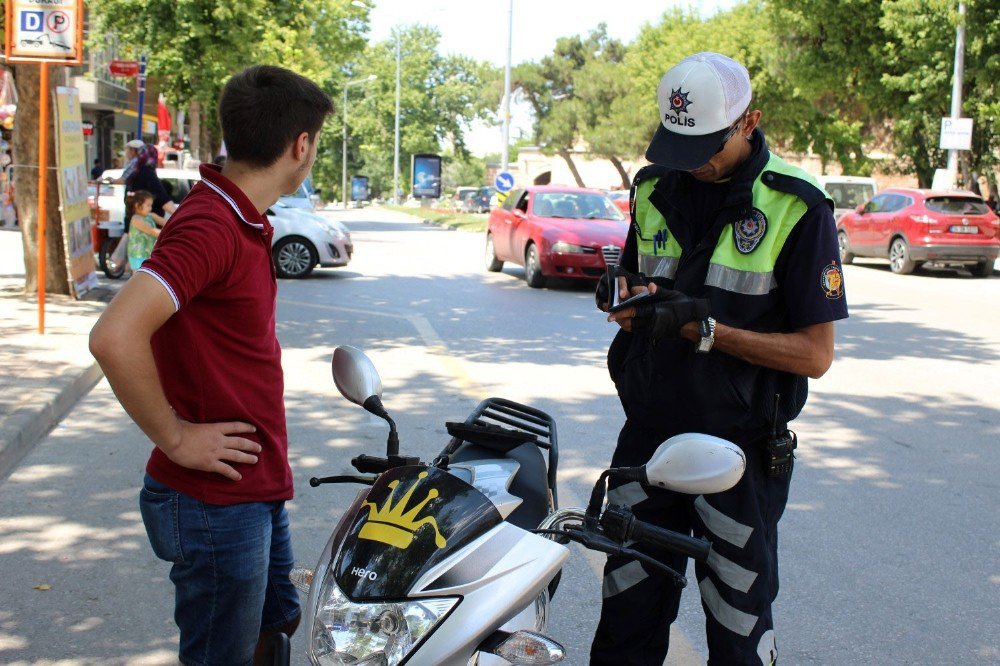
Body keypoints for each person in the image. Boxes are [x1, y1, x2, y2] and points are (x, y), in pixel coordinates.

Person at [591, 52, 848, 665]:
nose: (693, 162)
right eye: (679, 145)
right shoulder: (653, 187)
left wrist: (704, 329)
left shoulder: (796, 205)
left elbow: (815, 355)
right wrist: (623, 297)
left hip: (737, 455)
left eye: (708, 145)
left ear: (749, 121)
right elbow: (639, 278)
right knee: (625, 625)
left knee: (738, 635)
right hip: (648, 442)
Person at [89, 65, 334, 664]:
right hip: (212, 503)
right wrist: (174, 437)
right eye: (316, 144)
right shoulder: (210, 225)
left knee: (274, 625)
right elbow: (114, 336)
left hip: (249, 490)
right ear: (300, 146)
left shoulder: (237, 215)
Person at [125, 190, 164, 271]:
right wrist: (169, 233)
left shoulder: (151, 216)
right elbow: (151, 231)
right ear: (137, 205)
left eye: (151, 205)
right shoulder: (136, 219)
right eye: (148, 205)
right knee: (138, 279)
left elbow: (167, 223)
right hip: (138, 254)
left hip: (148, 254)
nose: (150, 208)